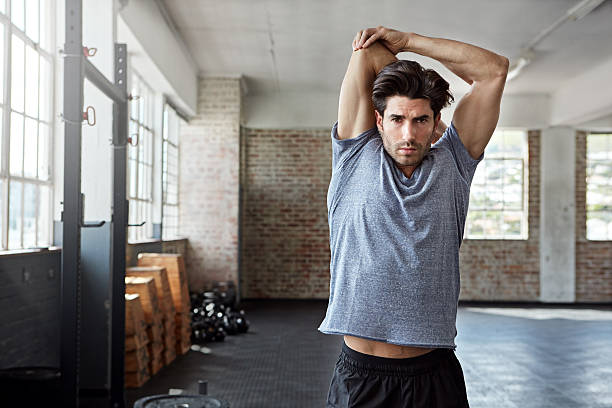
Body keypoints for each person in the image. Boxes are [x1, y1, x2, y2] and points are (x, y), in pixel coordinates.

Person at [318, 26, 509, 407]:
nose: (408, 133)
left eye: (421, 120)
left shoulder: (455, 161)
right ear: (379, 121)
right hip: (362, 378)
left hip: (434, 377)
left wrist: (409, 42)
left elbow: (494, 70)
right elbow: (369, 53)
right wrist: (412, 75)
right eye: (397, 119)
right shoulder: (355, 156)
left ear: (436, 122)